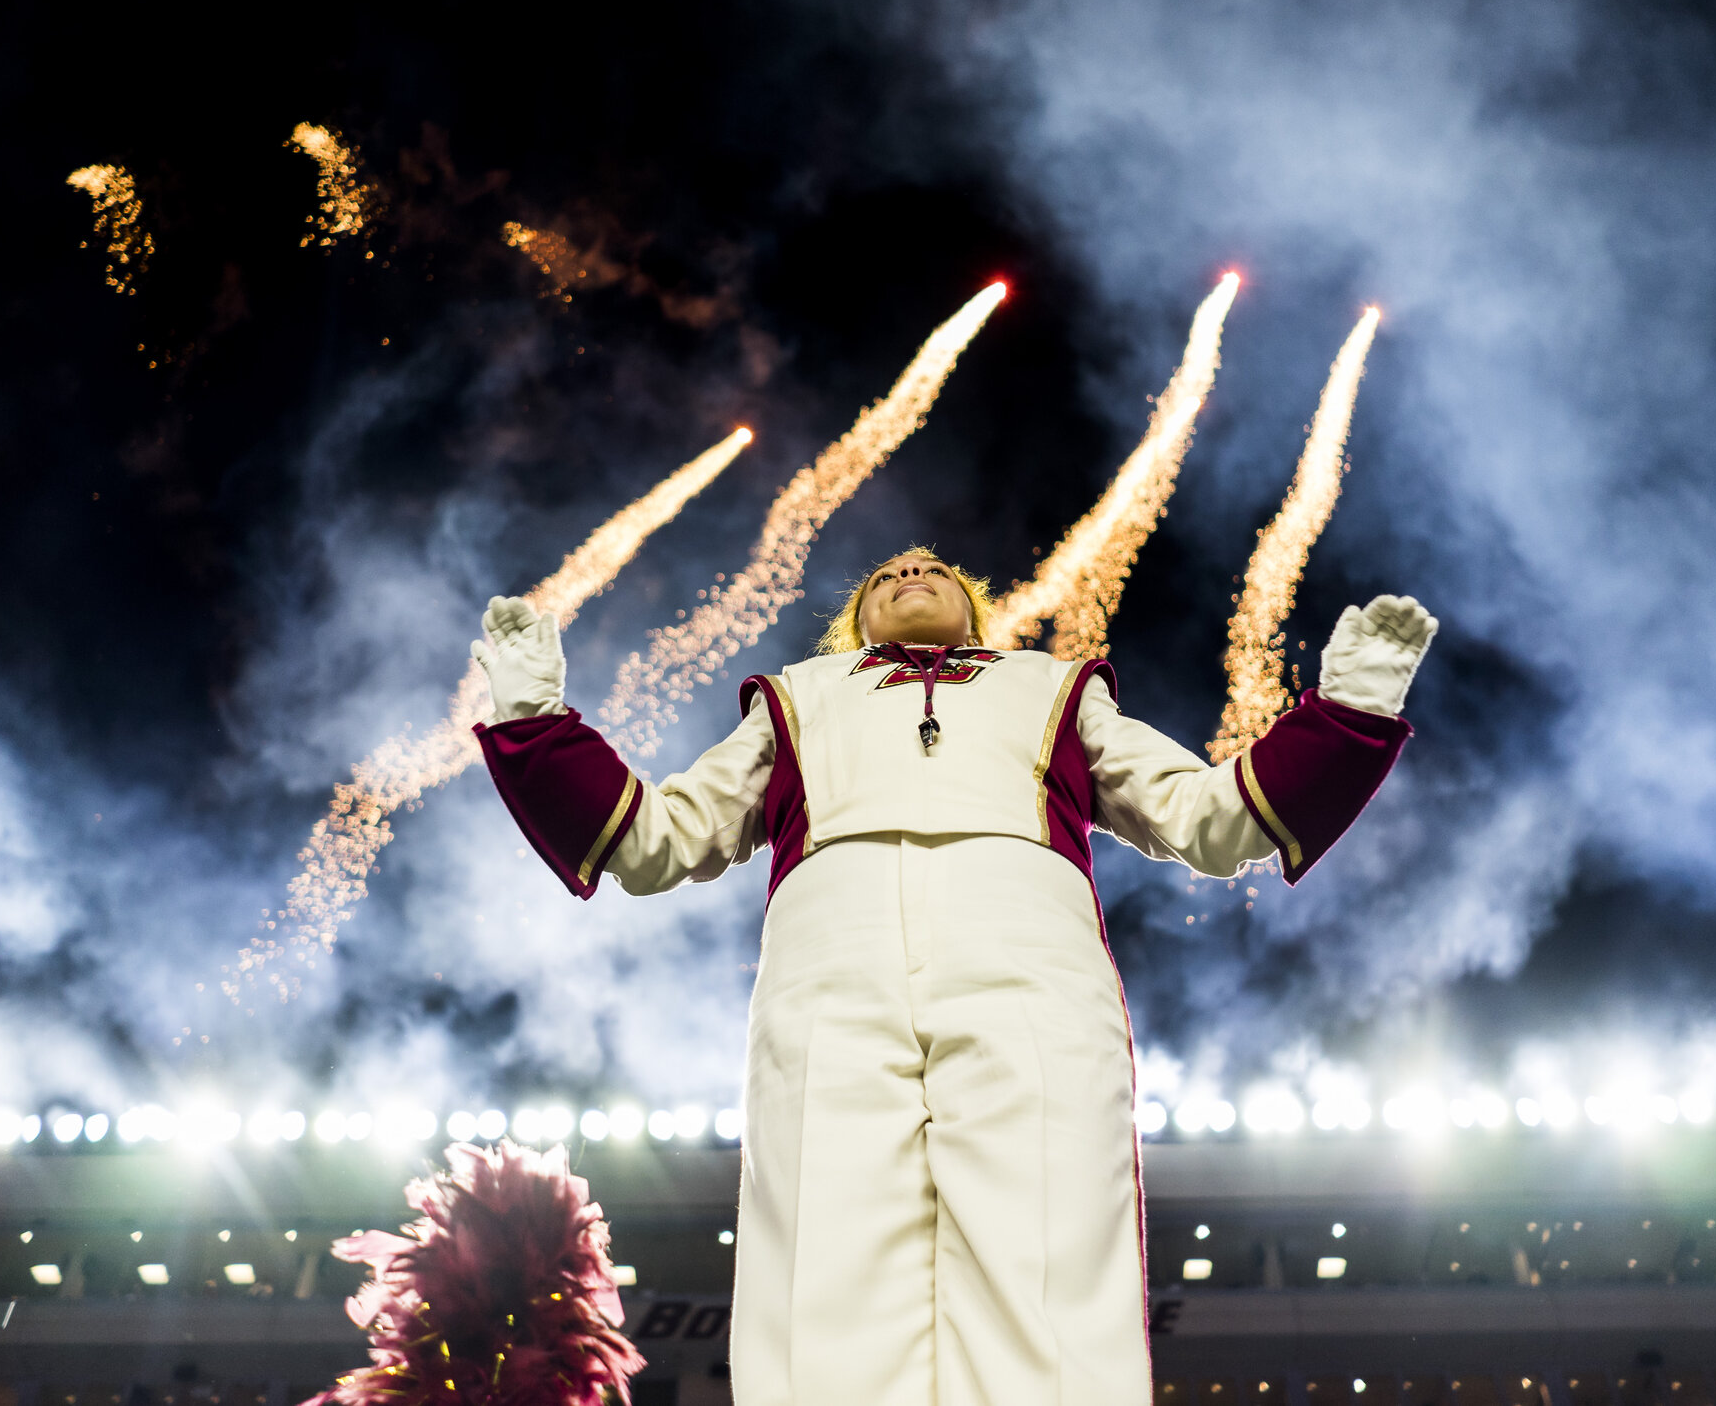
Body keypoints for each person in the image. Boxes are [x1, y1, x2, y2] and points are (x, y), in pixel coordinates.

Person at [472, 549, 1436, 1406]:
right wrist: (533, 719)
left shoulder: (1055, 688)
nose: (907, 574)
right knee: (826, 1263)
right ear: (857, 624)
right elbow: (654, 837)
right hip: (829, 968)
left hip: (1027, 956)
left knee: (1044, 1252)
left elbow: (1210, 816)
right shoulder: (800, 695)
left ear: (976, 606)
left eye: (930, 568)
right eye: (884, 575)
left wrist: (1351, 707)